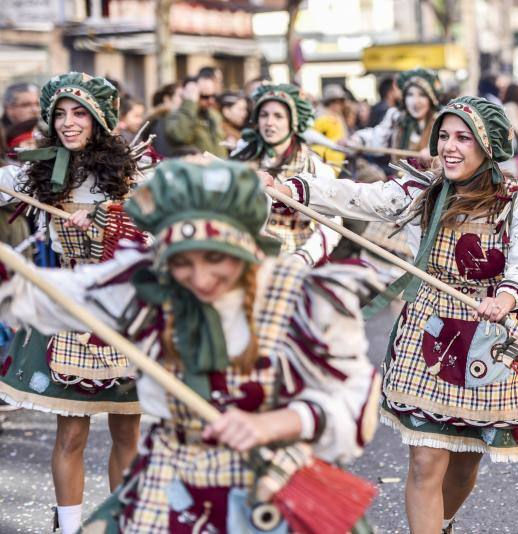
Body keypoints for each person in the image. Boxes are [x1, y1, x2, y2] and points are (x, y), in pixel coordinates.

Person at [0, 158, 381, 533]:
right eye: (183, 262)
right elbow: (49, 297)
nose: (200, 278)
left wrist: (278, 421)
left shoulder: (303, 299)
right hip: (171, 480)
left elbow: (356, 403)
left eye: (216, 259)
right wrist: (9, 282)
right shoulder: (150, 283)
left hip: (271, 484)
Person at [271, 96, 518, 533]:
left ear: (488, 146)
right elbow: (355, 196)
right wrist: (294, 189)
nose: (449, 147)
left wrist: (508, 295)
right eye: (444, 136)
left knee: (465, 463)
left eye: (463, 138)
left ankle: (442, 523)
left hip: (491, 334)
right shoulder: (421, 190)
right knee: (426, 459)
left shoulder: (517, 200)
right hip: (431, 330)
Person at [0, 72, 141, 534]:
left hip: (122, 311)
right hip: (67, 310)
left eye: (79, 112)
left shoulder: (132, 173)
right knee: (72, 431)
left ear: (100, 118)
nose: (67, 123)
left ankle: (125, 523)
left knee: (127, 429)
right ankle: (70, 527)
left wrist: (108, 217)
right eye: (59, 114)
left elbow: (158, 230)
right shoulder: (38, 172)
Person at [346, 68, 442, 277]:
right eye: (410, 94)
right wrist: (356, 140)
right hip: (395, 192)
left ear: (431, 98)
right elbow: (376, 136)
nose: (415, 101)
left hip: (428, 198)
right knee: (379, 263)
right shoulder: (396, 117)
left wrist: (436, 153)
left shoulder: (440, 121)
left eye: (421, 95)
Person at [230, 83, 341, 260]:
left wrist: (303, 257)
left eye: (278, 116)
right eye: (264, 115)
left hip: (296, 260)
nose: (269, 122)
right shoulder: (241, 160)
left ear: (293, 122)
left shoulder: (313, 166)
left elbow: (331, 224)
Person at [164, 76, 226, 157]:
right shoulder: (178, 115)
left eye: (213, 95)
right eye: (204, 97)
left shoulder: (215, 115)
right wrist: (190, 103)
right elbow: (180, 136)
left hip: (218, 168)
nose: (211, 101)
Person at [310, 84, 349, 168]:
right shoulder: (320, 116)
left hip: (340, 159)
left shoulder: (338, 116)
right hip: (324, 161)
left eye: (340, 102)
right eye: (334, 102)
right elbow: (312, 141)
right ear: (328, 102)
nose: (338, 105)